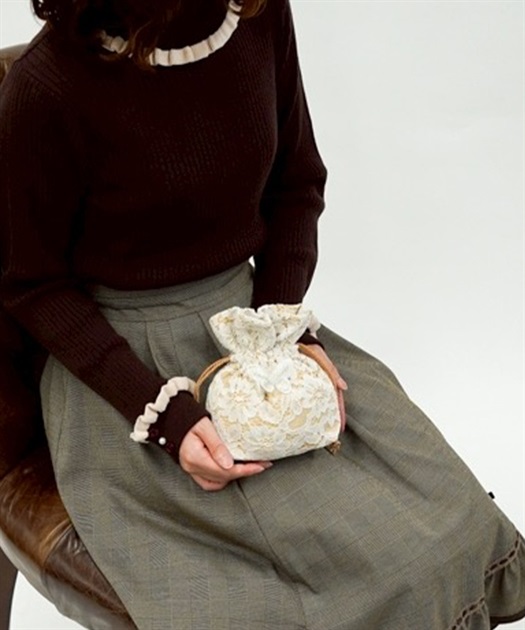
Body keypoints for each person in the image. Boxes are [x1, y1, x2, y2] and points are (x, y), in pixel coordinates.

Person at [0, 0, 523, 627]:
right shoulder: (46, 87)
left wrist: (281, 332)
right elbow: (32, 285)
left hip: (258, 324)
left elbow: (296, 183)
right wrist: (164, 416)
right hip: (125, 373)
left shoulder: (257, 14)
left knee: (455, 530)